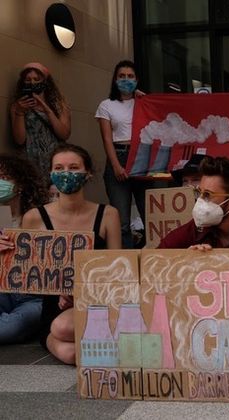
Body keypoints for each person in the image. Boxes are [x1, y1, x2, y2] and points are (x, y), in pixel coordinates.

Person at [21, 144, 121, 364]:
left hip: (97, 301)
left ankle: (110, 337)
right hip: (54, 307)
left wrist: (80, 292)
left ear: (88, 173)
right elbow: (24, 272)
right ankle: (113, 341)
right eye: (59, 167)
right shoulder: (33, 218)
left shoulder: (108, 214)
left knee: (64, 330)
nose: (66, 173)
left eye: (74, 167)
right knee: (72, 353)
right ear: (51, 173)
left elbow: (117, 269)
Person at [96, 60, 146, 249]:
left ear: (137, 79)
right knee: (122, 220)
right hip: (119, 156)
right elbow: (107, 139)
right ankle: (128, 262)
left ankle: (151, 258)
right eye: (121, 76)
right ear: (115, 79)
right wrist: (116, 165)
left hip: (142, 157)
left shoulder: (143, 102)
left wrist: (144, 98)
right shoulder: (106, 105)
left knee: (150, 216)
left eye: (130, 76)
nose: (126, 80)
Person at [0, 155, 49, 344]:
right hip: (2, 290)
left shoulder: (40, 216)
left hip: (33, 297)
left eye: (4, 177)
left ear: (19, 185)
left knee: (12, 327)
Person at [10, 62, 71, 182]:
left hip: (56, 160)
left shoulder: (59, 105)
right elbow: (19, 140)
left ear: (45, 82)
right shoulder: (17, 106)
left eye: (36, 79)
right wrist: (20, 112)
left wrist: (47, 110)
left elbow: (64, 134)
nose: (32, 82)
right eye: (28, 79)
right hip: (31, 161)